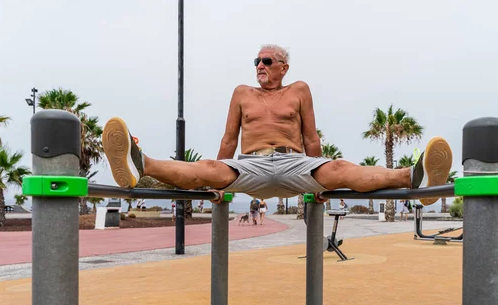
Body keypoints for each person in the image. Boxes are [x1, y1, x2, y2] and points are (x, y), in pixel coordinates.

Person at [101, 44, 453, 206]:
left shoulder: (299, 90)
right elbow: (228, 139)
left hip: (296, 162)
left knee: (342, 167)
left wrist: (318, 186)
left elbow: (311, 138)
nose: (259, 65)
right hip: (250, 163)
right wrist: (219, 176)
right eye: (256, 61)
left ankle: (415, 176)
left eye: (267, 60)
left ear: (284, 66)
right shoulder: (242, 93)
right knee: (207, 168)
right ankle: (138, 163)